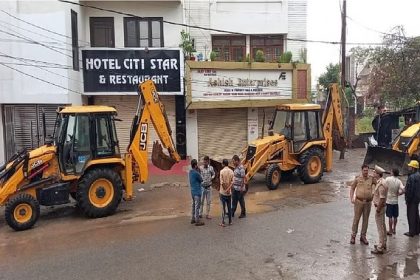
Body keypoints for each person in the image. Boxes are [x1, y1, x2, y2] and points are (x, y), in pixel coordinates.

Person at [349, 164, 375, 245]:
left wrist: (374, 194)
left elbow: (378, 184)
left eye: (367, 170)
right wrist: (351, 198)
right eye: (364, 170)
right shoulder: (357, 178)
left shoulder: (371, 178)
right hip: (358, 202)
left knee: (365, 220)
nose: (366, 172)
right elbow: (352, 188)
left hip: (368, 202)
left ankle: (363, 236)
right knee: (356, 219)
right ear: (362, 170)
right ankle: (353, 236)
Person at [371, 165, 388, 255]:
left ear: (378, 174)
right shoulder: (382, 181)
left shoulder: (381, 184)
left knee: (380, 227)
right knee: (383, 226)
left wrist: (378, 209)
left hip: (380, 207)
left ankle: (380, 247)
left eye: (374, 172)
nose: (373, 173)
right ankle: (383, 243)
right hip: (381, 207)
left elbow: (382, 198)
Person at [384, 168, 405, 235]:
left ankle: (390, 230)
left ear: (392, 172)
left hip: (389, 200)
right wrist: (400, 193)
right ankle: (394, 229)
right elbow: (404, 189)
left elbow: (384, 186)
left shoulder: (388, 179)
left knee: (390, 216)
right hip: (395, 201)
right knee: (395, 216)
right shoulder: (399, 181)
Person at [404, 160, 420, 237]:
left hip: (412, 199)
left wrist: (408, 200)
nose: (409, 167)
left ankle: (411, 232)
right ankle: (417, 230)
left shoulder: (411, 177)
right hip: (417, 199)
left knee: (411, 215)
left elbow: (410, 190)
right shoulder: (418, 175)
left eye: (410, 166)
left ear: (413, 168)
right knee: (416, 214)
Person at [189, 159, 204, 226]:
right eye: (196, 164)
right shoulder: (196, 173)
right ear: (195, 165)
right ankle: (197, 220)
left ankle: (193, 218)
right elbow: (201, 180)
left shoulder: (190, 172)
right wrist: (199, 171)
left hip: (192, 191)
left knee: (193, 205)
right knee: (197, 206)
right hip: (197, 192)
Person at [219, 159, 234, 227]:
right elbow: (232, 182)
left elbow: (221, 183)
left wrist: (225, 190)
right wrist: (228, 189)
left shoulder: (221, 171)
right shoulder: (231, 171)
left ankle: (223, 222)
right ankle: (230, 221)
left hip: (223, 193)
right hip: (229, 193)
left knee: (223, 208)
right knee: (229, 207)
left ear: (223, 164)